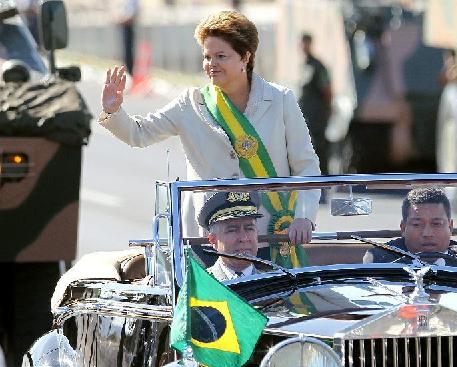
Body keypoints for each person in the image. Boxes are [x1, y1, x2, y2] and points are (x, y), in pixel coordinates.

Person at [99, 11, 320, 266]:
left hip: (266, 234)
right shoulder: (191, 104)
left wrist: (304, 216)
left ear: (245, 57)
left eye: (221, 56)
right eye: (207, 56)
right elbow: (138, 133)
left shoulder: (280, 100)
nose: (211, 64)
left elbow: (306, 165)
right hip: (207, 239)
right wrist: (113, 111)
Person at [363, 187, 457, 275]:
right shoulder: (379, 262)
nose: (427, 233)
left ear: (450, 227)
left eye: (436, 224)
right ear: (403, 228)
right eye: (417, 224)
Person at [198, 191, 265, 281]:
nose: (244, 238)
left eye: (249, 228)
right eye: (232, 230)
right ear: (213, 240)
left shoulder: (277, 284)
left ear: (257, 233)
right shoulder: (200, 286)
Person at [298, 32, 332, 175]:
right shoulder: (305, 64)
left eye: (306, 43)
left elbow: (327, 89)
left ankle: (323, 175)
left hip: (317, 113)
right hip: (308, 113)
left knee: (319, 145)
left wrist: (326, 110)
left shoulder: (317, 65)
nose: (303, 46)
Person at [115, 0, 139, 76]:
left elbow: (132, 14)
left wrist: (123, 20)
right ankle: (128, 71)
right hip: (125, 26)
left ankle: (130, 72)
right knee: (125, 52)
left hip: (129, 27)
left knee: (129, 52)